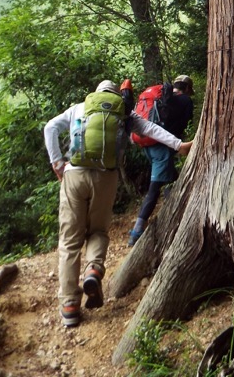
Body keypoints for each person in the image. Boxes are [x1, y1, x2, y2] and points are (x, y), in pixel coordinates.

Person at [44, 79, 192, 328]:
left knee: (70, 241)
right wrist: (179, 145)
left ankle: (69, 305)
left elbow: (50, 128)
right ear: (115, 96)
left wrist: (57, 163)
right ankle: (93, 270)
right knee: (98, 231)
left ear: (96, 94)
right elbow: (152, 129)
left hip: (75, 175)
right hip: (106, 178)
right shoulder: (124, 111)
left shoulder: (78, 108)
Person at [128, 75, 194, 246]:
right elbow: (183, 124)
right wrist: (179, 144)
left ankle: (174, 214)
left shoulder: (162, 98)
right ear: (187, 88)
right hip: (162, 147)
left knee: (172, 179)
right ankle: (137, 230)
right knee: (155, 188)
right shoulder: (185, 100)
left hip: (147, 145)